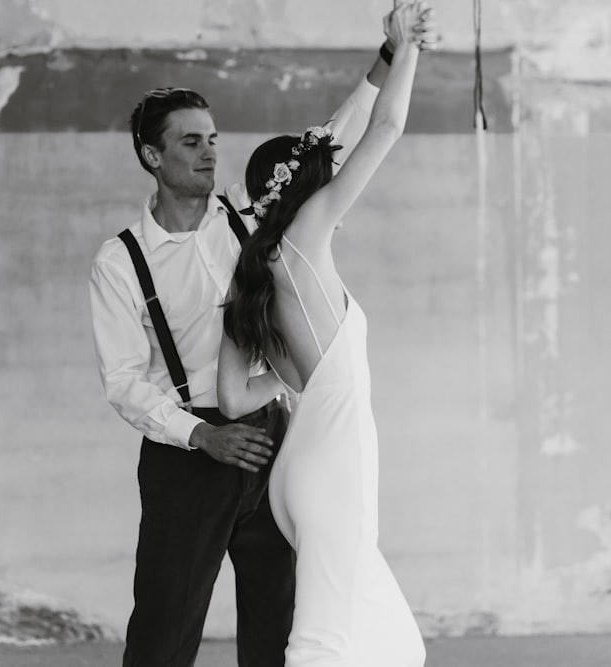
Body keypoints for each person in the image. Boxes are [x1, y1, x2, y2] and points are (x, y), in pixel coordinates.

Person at [88, 6, 412, 665]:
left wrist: (387, 56)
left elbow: (328, 141)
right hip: (189, 452)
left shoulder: (244, 212)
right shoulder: (119, 260)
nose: (209, 149)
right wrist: (201, 434)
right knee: (165, 624)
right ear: (152, 155)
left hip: (271, 440)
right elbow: (123, 379)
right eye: (189, 141)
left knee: (278, 619)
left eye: (211, 137)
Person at [217, 1, 437, 664]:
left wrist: (288, 380)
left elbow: (231, 398)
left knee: (392, 639)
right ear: (309, 186)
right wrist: (411, 47)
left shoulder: (248, 273)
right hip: (336, 462)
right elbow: (387, 127)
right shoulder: (308, 233)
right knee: (321, 643)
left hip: (299, 471)